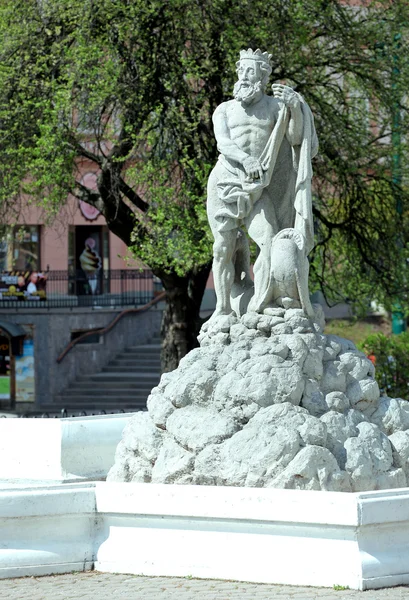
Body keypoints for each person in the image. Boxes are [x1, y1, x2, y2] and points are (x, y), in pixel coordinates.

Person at [207, 48, 318, 317]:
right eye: (241, 70)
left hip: (258, 188)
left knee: (270, 241)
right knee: (223, 247)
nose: (244, 76)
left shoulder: (276, 107)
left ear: (262, 77)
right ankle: (222, 308)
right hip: (226, 183)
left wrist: (295, 107)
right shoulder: (224, 109)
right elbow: (223, 143)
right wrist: (246, 160)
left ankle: (262, 301)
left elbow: (295, 138)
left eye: (250, 71)